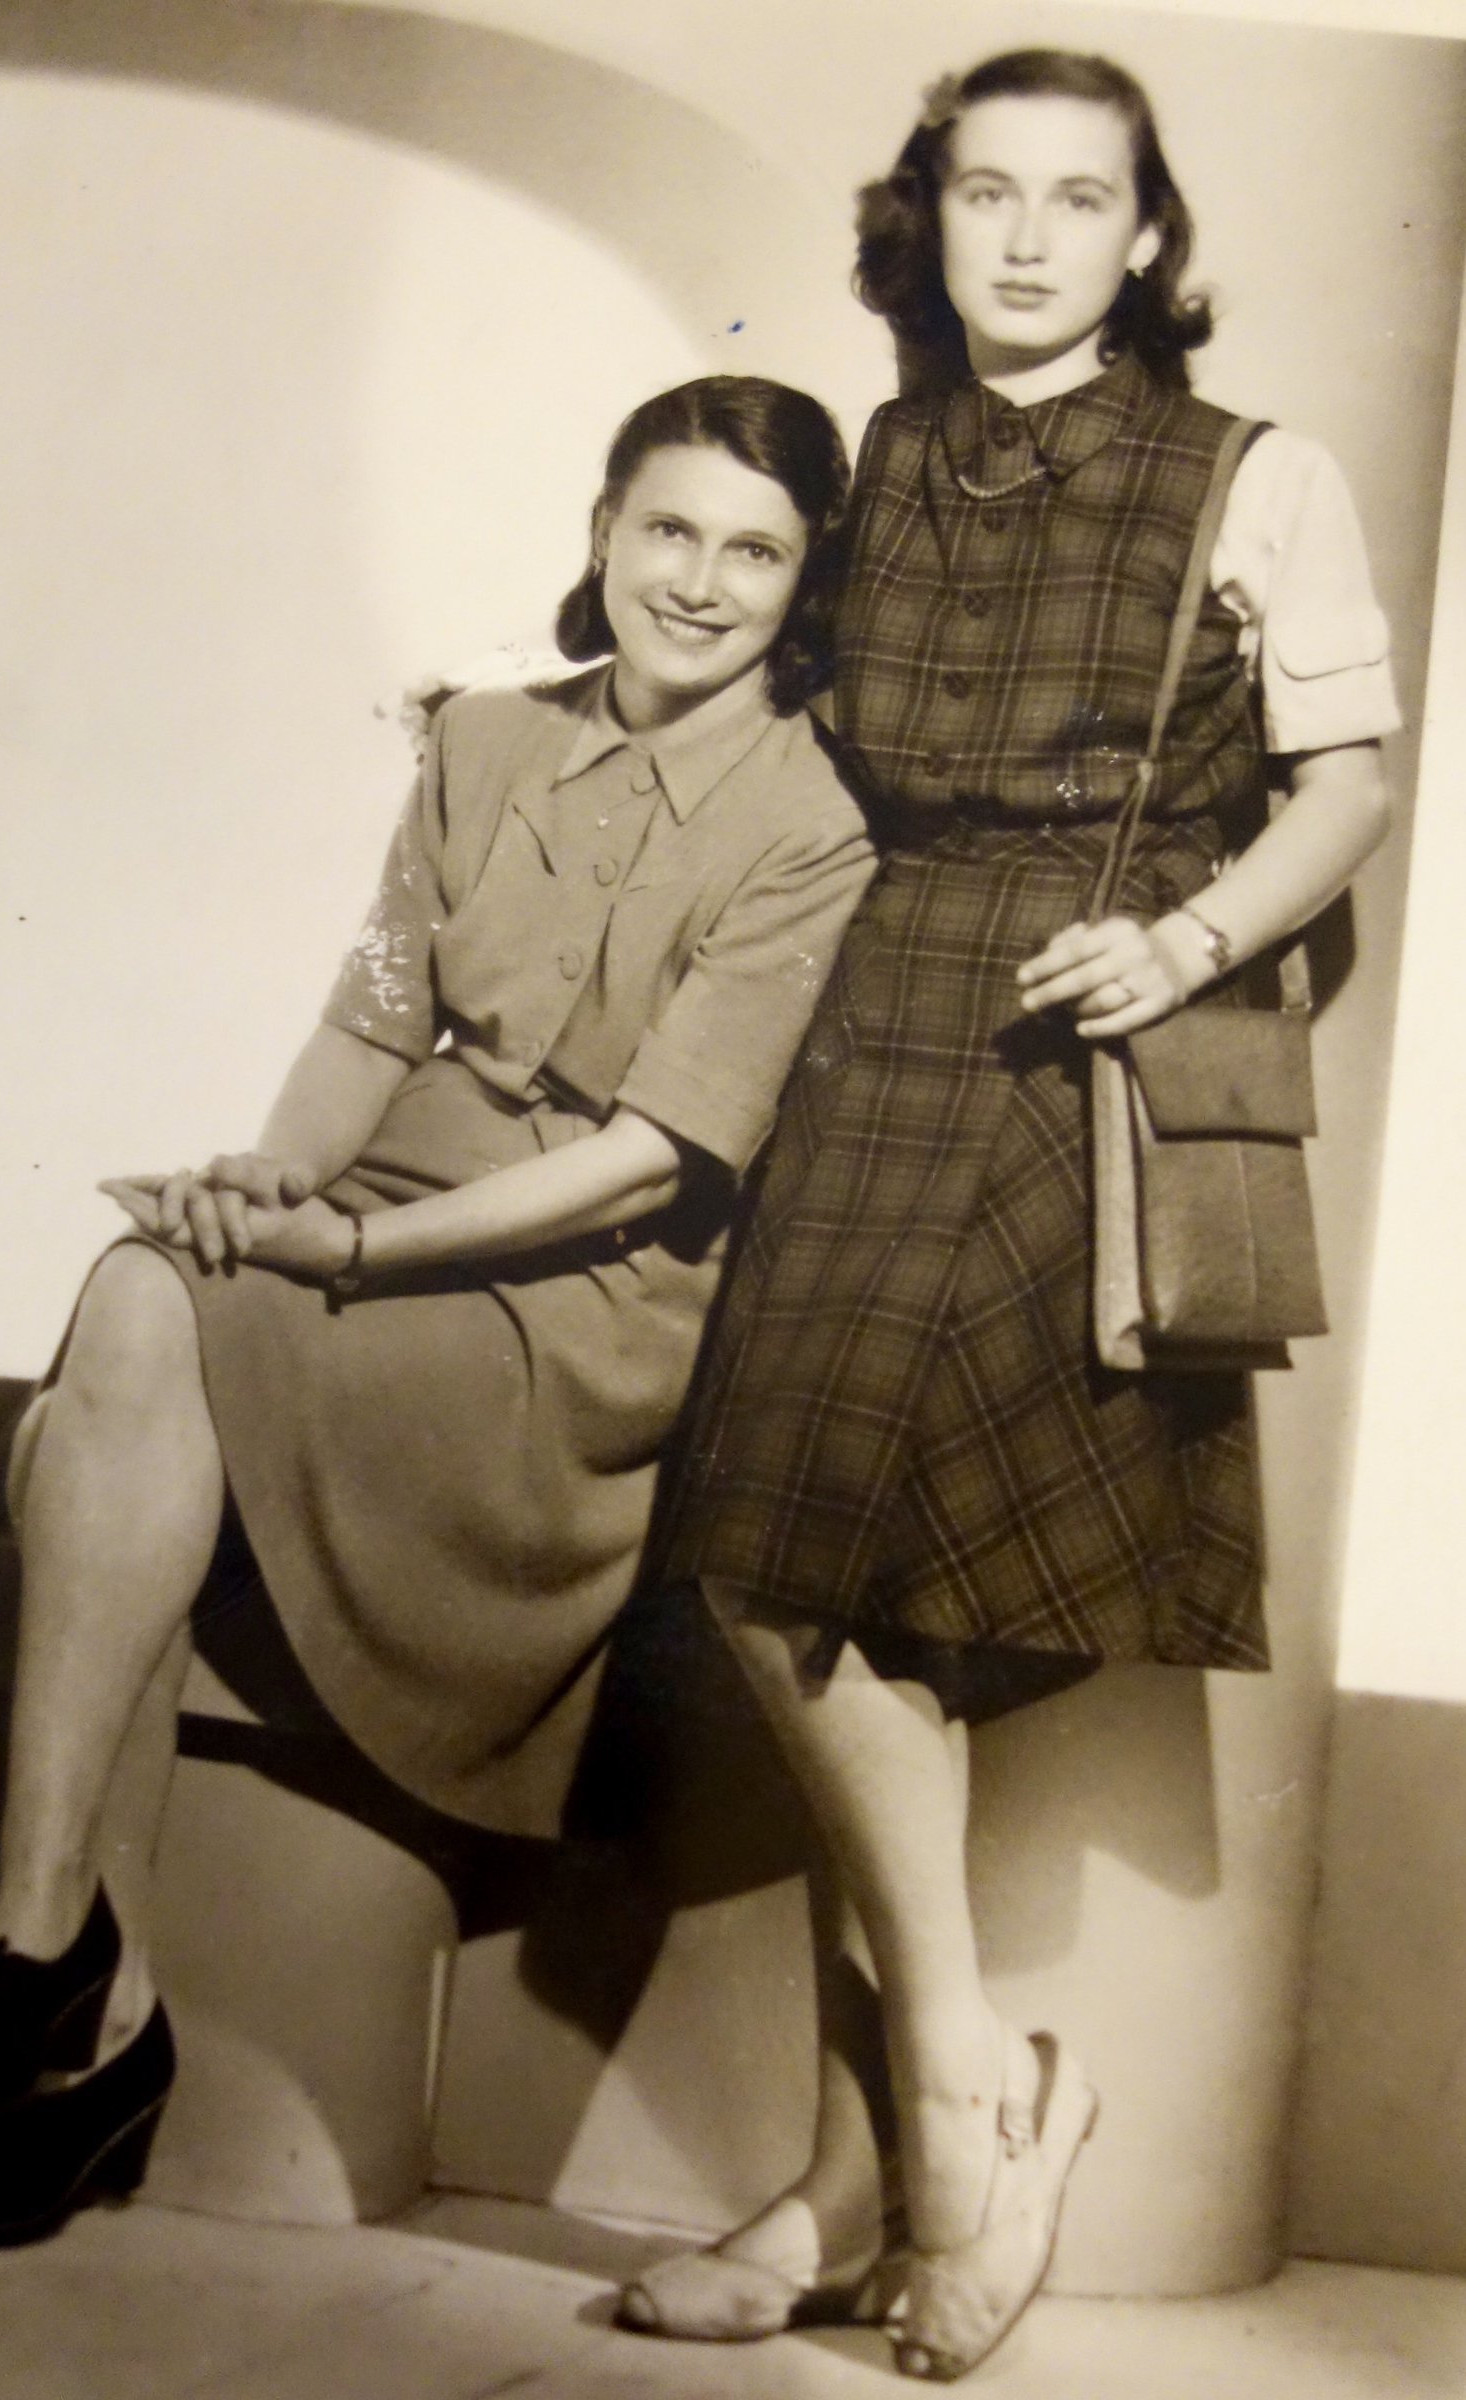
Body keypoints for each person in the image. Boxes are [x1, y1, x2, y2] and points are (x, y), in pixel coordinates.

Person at [0, 374, 877, 2254]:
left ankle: (74, 1997)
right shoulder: (478, 741)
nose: (697, 581)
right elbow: (372, 1023)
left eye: (754, 553)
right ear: (600, 530)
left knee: (139, 1356)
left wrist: (332, 1260)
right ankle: (44, 1943)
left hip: (574, 1312)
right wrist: (268, 1189)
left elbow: (646, 1163)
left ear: (804, 586)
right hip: (381, 1212)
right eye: (666, 529)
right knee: (148, 1284)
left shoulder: (814, 821)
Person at [616, 49, 1397, 2381]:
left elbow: (1348, 782)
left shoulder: (1254, 472)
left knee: (861, 1588)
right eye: (987, 193)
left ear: (1146, 237)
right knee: (802, 1573)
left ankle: (890, 2153)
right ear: (929, 215)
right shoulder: (871, 468)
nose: (1030, 239)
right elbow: (738, 687)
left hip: (1086, 1049)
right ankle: (946, 2111)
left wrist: (1187, 938)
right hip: (866, 1026)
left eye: (1079, 199)